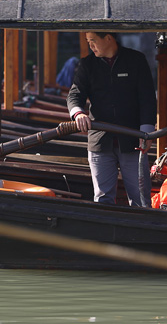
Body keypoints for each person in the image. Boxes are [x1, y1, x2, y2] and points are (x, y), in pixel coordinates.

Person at [67, 31, 157, 206]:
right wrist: (78, 113)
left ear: (108, 38)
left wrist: (146, 132)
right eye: (88, 42)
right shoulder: (87, 64)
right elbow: (74, 94)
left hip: (133, 142)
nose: (90, 46)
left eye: (93, 41)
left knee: (141, 199)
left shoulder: (135, 60)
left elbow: (147, 99)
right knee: (102, 200)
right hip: (99, 142)